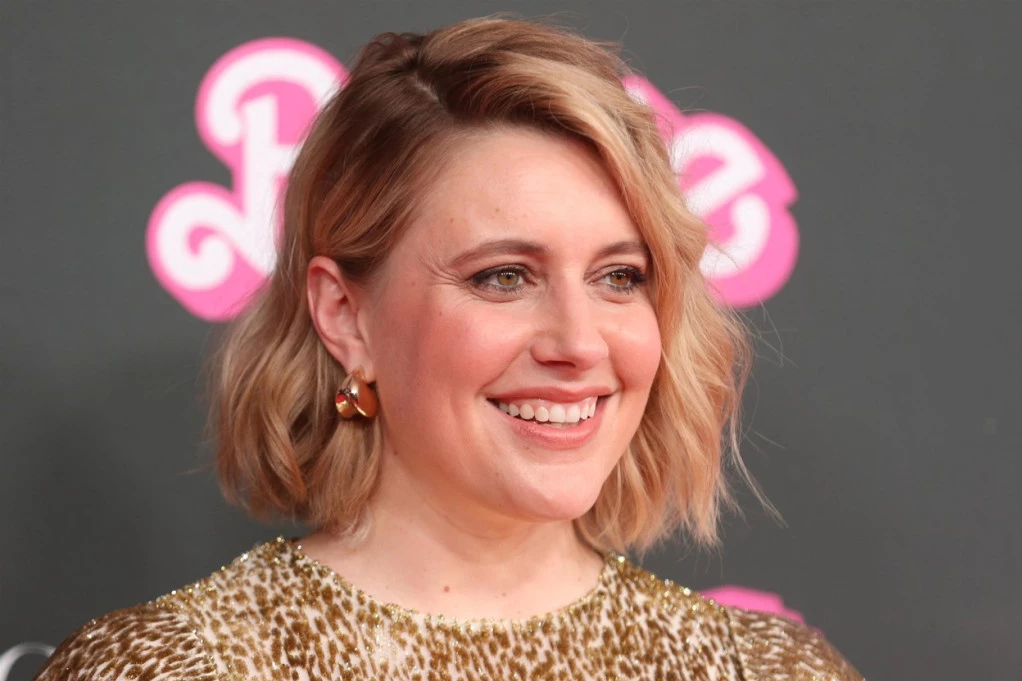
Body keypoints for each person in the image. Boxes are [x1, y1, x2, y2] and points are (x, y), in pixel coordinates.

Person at [33, 17, 861, 681]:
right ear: (345, 316)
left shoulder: (766, 670)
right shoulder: (173, 667)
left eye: (619, 277)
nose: (579, 342)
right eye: (503, 277)